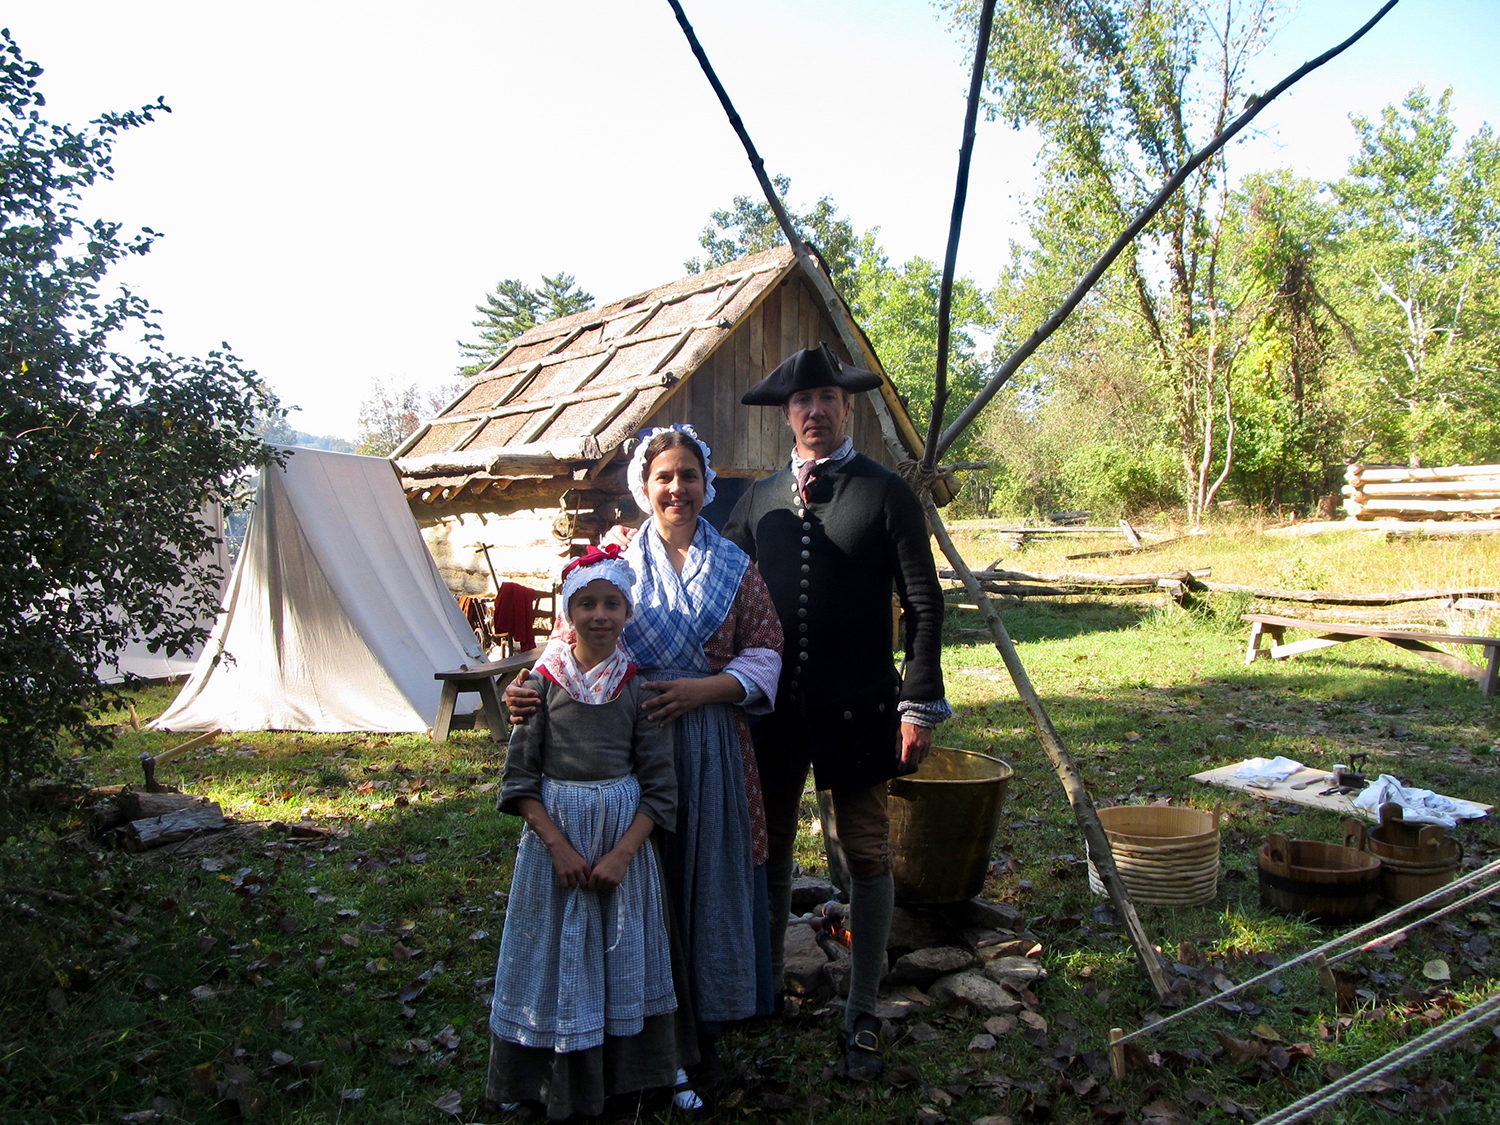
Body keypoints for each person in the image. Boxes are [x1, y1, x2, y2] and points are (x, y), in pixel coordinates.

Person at [507, 424, 783, 1092]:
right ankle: (634, 1036)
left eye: (689, 475)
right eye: (665, 476)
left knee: (706, 880)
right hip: (629, 748)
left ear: (705, 484)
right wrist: (528, 684)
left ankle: (705, 1034)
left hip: (712, 742)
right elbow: (567, 639)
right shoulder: (618, 563)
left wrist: (702, 690)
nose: (677, 488)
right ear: (643, 485)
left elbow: (768, 648)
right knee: (644, 890)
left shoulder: (735, 566)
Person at [722, 343, 950, 1081]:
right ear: (786, 415)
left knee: (867, 850)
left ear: (845, 406)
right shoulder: (756, 500)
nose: (815, 410)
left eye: (827, 398)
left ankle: (860, 1012)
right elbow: (714, 589)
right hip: (777, 709)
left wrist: (916, 701)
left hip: (861, 707)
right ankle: (759, 988)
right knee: (773, 845)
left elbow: (924, 605)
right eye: (802, 401)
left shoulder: (887, 493)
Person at [485, 545, 698, 1118]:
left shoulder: (636, 687)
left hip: (621, 847)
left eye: (611, 604)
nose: (599, 615)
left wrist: (625, 853)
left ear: (627, 612)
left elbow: (660, 786)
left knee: (629, 954)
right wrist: (556, 845)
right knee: (551, 953)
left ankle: (648, 1069)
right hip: (556, 843)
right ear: (568, 612)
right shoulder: (541, 684)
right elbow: (519, 779)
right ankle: (535, 1073)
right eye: (586, 604)